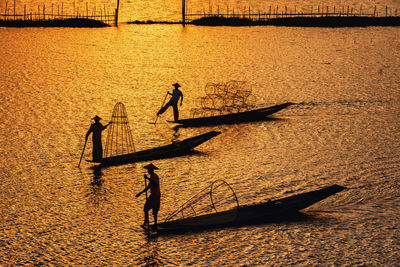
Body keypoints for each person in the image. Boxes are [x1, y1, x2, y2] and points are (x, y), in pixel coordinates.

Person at [136, 163, 161, 230]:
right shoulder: (152, 177)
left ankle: (151, 223)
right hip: (154, 195)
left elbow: (155, 183)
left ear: (151, 170)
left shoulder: (154, 176)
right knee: (147, 209)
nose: (148, 171)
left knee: (149, 208)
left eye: (148, 170)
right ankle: (149, 222)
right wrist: (140, 193)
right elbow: (148, 187)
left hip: (155, 195)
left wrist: (147, 178)